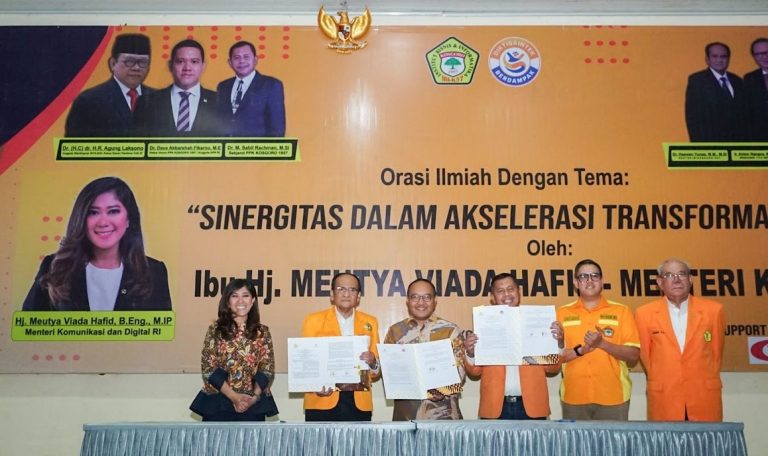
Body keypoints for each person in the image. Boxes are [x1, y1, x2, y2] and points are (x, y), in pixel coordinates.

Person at [22, 176, 171, 311]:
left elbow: (162, 330)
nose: (103, 222)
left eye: (113, 211)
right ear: (81, 219)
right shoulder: (53, 267)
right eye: (93, 212)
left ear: (128, 219)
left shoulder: (154, 272)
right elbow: (28, 328)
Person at [463, 273, 564, 420]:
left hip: (533, 407)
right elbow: (474, 372)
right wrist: (471, 354)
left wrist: (558, 344)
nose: (507, 294)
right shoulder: (485, 324)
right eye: (500, 291)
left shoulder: (535, 322)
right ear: (493, 297)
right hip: (495, 408)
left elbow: (553, 368)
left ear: (518, 291)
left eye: (511, 289)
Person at [635, 258, 725, 421]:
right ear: (660, 282)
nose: (676, 279)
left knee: (705, 439)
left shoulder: (713, 310)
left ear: (690, 279)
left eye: (681, 274)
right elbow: (647, 357)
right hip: (665, 396)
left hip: (703, 397)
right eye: (669, 275)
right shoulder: (644, 313)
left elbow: (716, 354)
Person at [556, 259, 640, 420]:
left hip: (614, 397)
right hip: (574, 397)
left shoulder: (621, 311)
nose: (589, 280)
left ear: (601, 281)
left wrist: (602, 344)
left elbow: (633, 355)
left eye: (594, 276)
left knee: (614, 439)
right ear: (576, 283)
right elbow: (555, 359)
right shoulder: (561, 313)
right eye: (583, 276)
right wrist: (581, 350)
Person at [190, 278, 278, 421]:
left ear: (253, 300)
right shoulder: (215, 330)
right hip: (219, 403)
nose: (240, 301)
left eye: (245, 295)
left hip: (252, 404)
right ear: (227, 301)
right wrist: (234, 397)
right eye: (234, 296)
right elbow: (208, 369)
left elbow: (267, 369)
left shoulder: (262, 332)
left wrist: (254, 397)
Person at [301, 272, 380, 421]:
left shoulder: (370, 322)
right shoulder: (313, 321)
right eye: (341, 289)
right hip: (322, 400)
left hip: (358, 402)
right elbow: (306, 363)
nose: (346, 294)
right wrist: (315, 386)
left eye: (352, 290)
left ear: (358, 296)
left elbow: (375, 373)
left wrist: (373, 362)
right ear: (332, 294)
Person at [383, 278, 466, 420]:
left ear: (435, 300)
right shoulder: (395, 331)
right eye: (415, 297)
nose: (421, 302)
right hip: (406, 416)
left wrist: (441, 390)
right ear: (408, 301)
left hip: (444, 416)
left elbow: (460, 371)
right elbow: (389, 371)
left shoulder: (450, 330)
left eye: (427, 297)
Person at [65, 33, 154, 137]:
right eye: (129, 62)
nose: (136, 68)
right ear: (113, 64)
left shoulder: (160, 98)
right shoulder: (88, 100)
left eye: (143, 62)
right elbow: (74, 144)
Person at [134, 39, 220, 136]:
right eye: (180, 61)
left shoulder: (220, 102)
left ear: (203, 66)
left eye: (194, 61)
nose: (187, 68)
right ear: (170, 65)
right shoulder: (147, 102)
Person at [216, 41, 286, 137]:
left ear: (255, 60)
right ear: (230, 62)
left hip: (256, 146)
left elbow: (277, 129)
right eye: (237, 57)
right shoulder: (223, 86)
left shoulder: (271, 85)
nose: (241, 61)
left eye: (246, 57)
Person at [685, 42, 747, 142]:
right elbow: (693, 117)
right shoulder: (697, 81)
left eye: (723, 56)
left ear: (728, 59)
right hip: (710, 143)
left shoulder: (737, 81)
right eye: (715, 56)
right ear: (707, 59)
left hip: (737, 142)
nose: (719, 60)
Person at [744, 37, 768, 141]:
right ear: (754, 57)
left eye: (767, 52)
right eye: (758, 54)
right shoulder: (749, 78)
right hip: (760, 137)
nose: (764, 57)